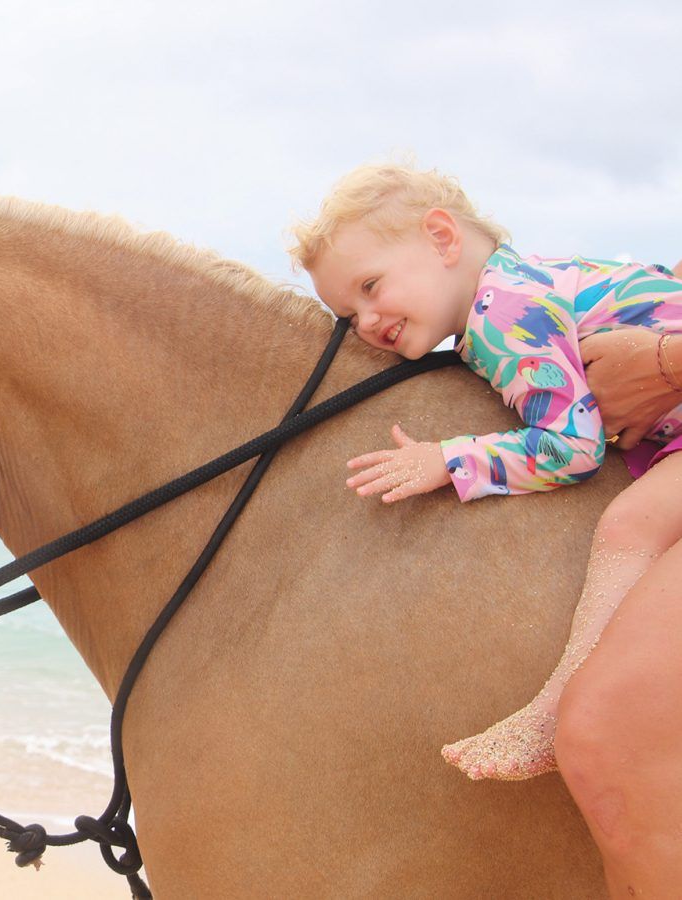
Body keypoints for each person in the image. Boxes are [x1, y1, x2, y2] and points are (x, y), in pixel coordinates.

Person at [289, 161, 682, 893]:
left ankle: (558, 699)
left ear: (441, 237)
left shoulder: (502, 314)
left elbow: (570, 445)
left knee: (628, 525)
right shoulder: (522, 286)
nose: (365, 322)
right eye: (346, 315)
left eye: (370, 286)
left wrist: (453, 457)